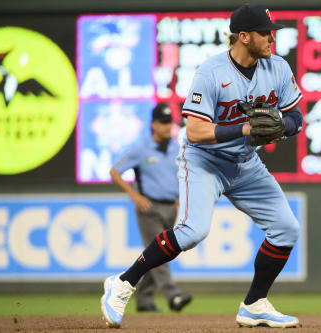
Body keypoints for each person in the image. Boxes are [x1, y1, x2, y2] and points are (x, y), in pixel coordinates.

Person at [101, 4, 303, 328]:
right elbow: (194, 132)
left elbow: (296, 117)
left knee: (287, 229)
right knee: (193, 231)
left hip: (245, 163)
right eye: (265, 32)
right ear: (244, 36)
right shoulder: (212, 72)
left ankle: (254, 304)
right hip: (203, 162)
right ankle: (123, 283)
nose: (271, 37)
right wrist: (246, 129)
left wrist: (281, 124)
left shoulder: (277, 67)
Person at [108, 103, 192, 314]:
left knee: (157, 254)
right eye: (163, 123)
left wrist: (180, 198)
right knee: (160, 251)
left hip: (171, 207)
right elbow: (115, 171)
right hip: (149, 208)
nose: (167, 127)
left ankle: (144, 300)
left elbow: (184, 174)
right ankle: (173, 295)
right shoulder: (141, 148)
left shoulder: (176, 147)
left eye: (169, 123)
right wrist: (134, 195)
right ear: (153, 124)